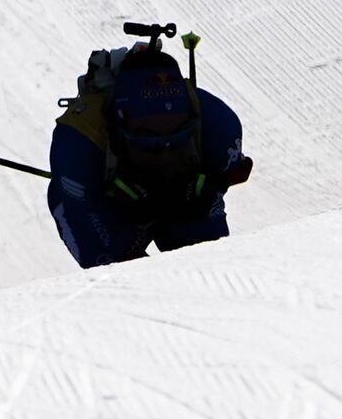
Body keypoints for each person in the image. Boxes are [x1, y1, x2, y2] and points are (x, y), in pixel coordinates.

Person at [47, 36, 251, 267]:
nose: (165, 155)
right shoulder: (78, 145)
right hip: (111, 208)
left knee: (209, 256)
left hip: (184, 199)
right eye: (149, 144)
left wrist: (203, 193)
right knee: (115, 267)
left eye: (178, 141)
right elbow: (84, 219)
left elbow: (223, 178)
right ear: (118, 129)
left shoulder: (219, 124)